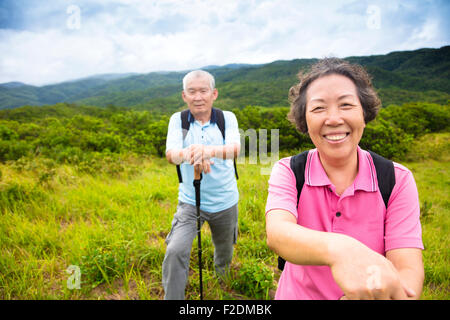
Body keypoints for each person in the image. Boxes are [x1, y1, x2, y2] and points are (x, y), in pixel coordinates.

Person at [265, 58, 424, 300]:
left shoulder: (396, 179)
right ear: (304, 121)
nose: (333, 119)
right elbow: (278, 233)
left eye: (346, 105)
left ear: (364, 113)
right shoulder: (289, 170)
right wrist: (342, 250)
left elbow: (408, 269)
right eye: (318, 108)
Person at [163, 70, 240, 300]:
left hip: (226, 200)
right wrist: (192, 155)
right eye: (192, 91)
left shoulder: (227, 118)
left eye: (203, 91)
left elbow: (235, 149)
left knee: (224, 250)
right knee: (175, 250)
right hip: (190, 202)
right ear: (184, 95)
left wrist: (209, 151)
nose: (198, 97)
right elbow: (171, 154)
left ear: (214, 94)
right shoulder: (179, 120)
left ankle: (222, 283)